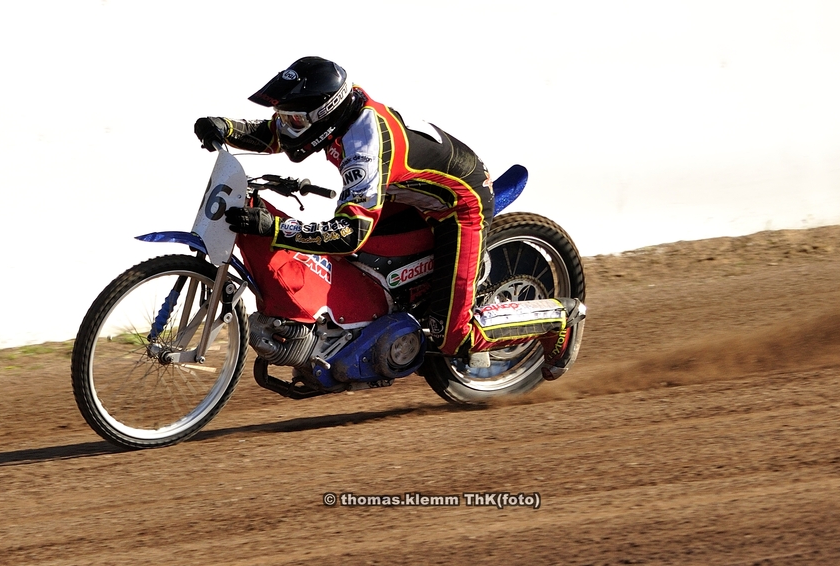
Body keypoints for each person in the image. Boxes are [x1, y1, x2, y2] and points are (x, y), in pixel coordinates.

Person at [194, 56, 585, 380]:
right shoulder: (337, 116)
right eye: (285, 116)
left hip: (457, 205)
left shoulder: (363, 147)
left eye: (295, 119)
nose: (287, 126)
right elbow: (281, 133)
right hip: (406, 191)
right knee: (359, 269)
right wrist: (227, 128)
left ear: (324, 114)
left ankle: (556, 319)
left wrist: (274, 228)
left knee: (452, 336)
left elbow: (349, 234)